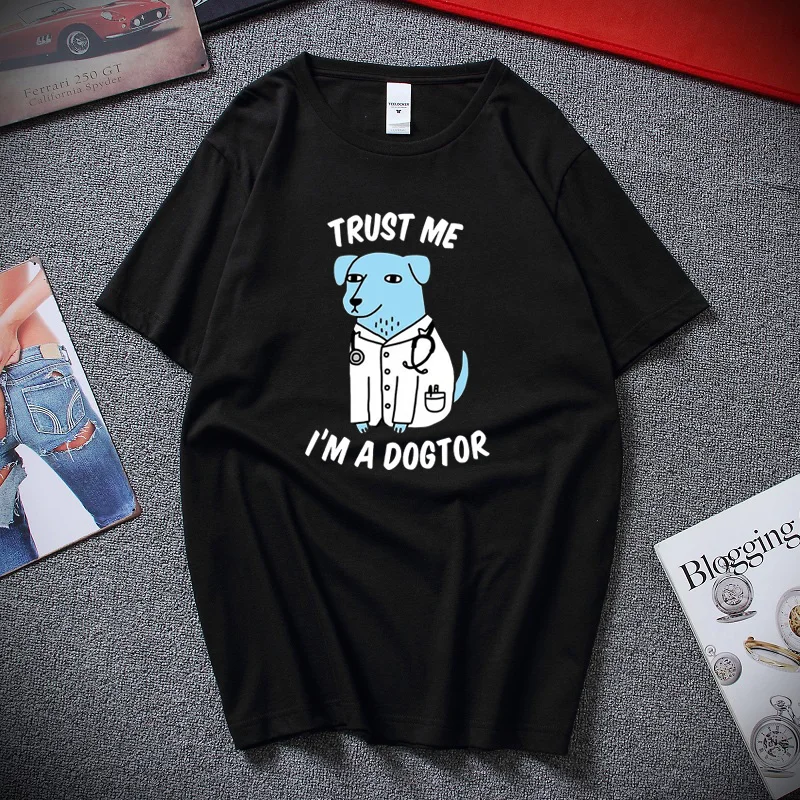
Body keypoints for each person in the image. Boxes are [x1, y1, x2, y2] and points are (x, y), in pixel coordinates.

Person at [0, 257, 137, 575]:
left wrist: (7, 324)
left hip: (32, 372)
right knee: (124, 511)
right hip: (34, 372)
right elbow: (72, 262)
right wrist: (9, 321)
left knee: (15, 568)